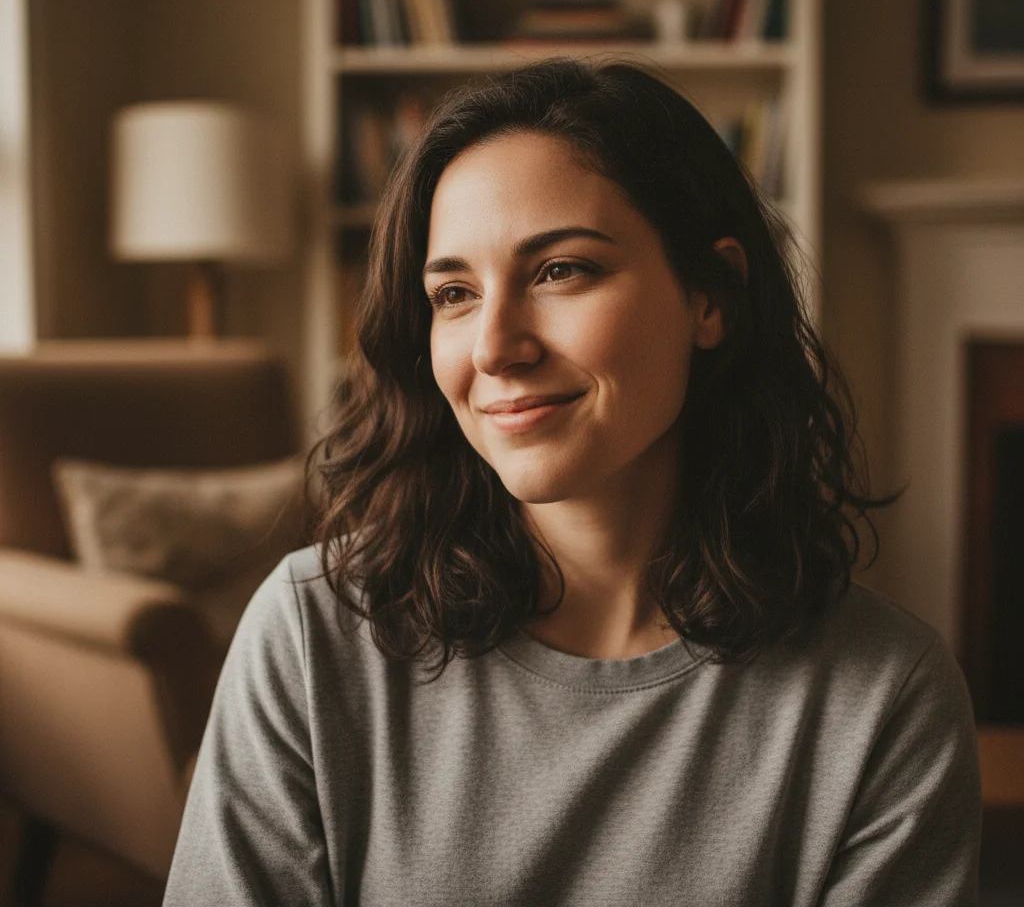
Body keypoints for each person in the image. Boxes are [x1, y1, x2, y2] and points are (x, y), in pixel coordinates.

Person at [163, 58, 981, 906]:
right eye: (453, 293)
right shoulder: (312, 637)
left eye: (561, 271)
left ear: (712, 296)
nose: (494, 347)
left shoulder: (885, 694)